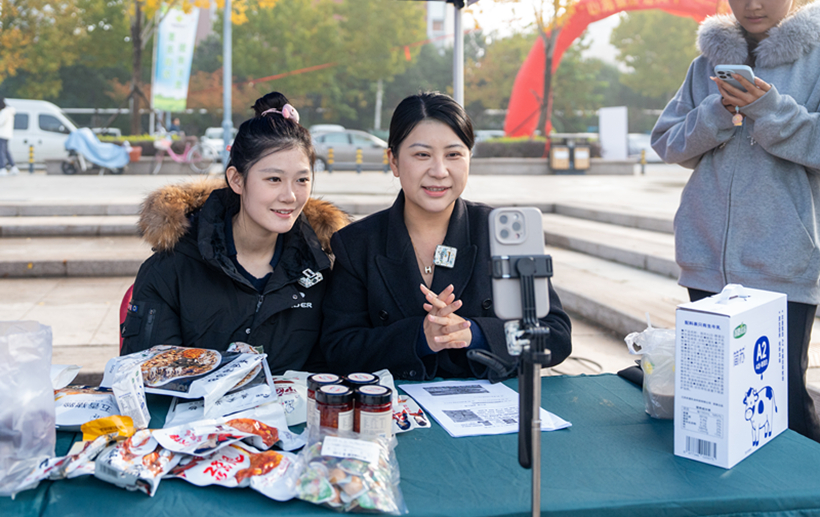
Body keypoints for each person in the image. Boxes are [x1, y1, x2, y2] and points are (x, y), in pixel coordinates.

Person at [651, 0, 820, 441]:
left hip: (783, 262)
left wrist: (770, 110)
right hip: (706, 258)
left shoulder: (816, 61)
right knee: (714, 396)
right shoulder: (705, 64)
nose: (752, 4)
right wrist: (716, 114)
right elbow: (668, 142)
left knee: (783, 400)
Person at [320, 92, 572, 380]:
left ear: (469, 158)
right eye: (422, 155)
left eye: (453, 154)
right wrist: (420, 337)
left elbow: (555, 335)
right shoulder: (357, 243)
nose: (439, 171)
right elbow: (338, 348)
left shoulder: (501, 232)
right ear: (394, 161)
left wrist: (474, 333)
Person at [121, 92, 350, 374]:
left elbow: (329, 373)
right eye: (274, 179)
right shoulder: (172, 268)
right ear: (237, 179)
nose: (290, 196)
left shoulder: (322, 269)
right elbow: (147, 377)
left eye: (302, 180)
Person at [0, 98, 19, 176]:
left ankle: (2, 168)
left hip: (2, 134)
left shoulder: (4, 112)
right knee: (6, 151)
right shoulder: (10, 112)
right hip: (7, 134)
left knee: (1, 152)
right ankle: (13, 167)